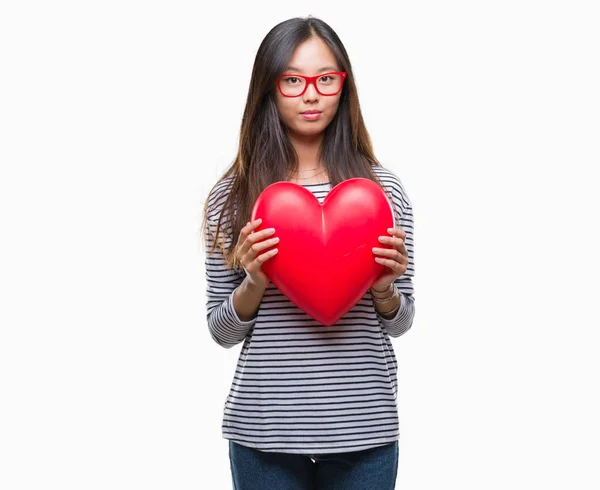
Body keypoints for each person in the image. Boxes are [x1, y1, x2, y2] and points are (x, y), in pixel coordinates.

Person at [201, 16, 415, 490]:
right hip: (265, 435)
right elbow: (220, 330)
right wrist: (254, 281)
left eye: (326, 78)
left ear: (344, 85)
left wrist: (384, 289)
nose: (312, 94)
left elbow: (402, 321)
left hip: (365, 430)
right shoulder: (232, 198)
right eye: (293, 80)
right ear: (270, 88)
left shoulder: (384, 195)